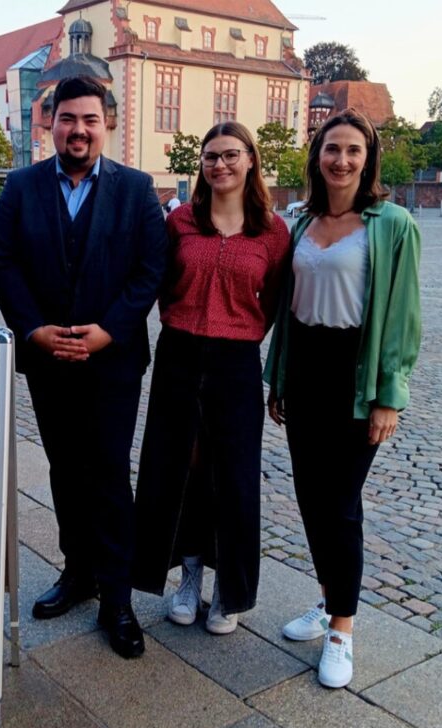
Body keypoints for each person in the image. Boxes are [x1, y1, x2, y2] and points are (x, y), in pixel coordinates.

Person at [0, 75, 168, 659]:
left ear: (106, 124)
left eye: (90, 119)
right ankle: (78, 572)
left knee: (110, 474)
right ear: (50, 123)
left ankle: (117, 597)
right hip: (47, 358)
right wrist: (33, 328)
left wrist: (107, 332)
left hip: (112, 361)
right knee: (65, 469)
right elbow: (5, 262)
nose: (79, 130)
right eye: (68, 119)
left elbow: (149, 270)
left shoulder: (137, 189)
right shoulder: (20, 187)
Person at [264, 108, 421, 688]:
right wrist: (276, 379)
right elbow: (287, 310)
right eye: (333, 149)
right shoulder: (300, 222)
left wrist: (390, 397)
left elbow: (403, 316)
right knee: (310, 499)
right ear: (317, 156)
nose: (342, 160)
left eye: (353, 150)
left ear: (368, 157)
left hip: (355, 378)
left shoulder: (392, 224)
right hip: (305, 373)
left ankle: (342, 631)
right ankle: (330, 598)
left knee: (340, 503)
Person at [133, 122, 290, 635]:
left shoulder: (272, 231)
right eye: (209, 157)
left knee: (235, 476)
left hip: (236, 359)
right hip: (179, 351)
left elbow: (274, 300)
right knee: (179, 468)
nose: (219, 165)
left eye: (230, 155)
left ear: (250, 161)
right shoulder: (180, 221)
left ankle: (229, 586)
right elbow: (160, 284)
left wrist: (239, 329)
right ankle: (190, 570)